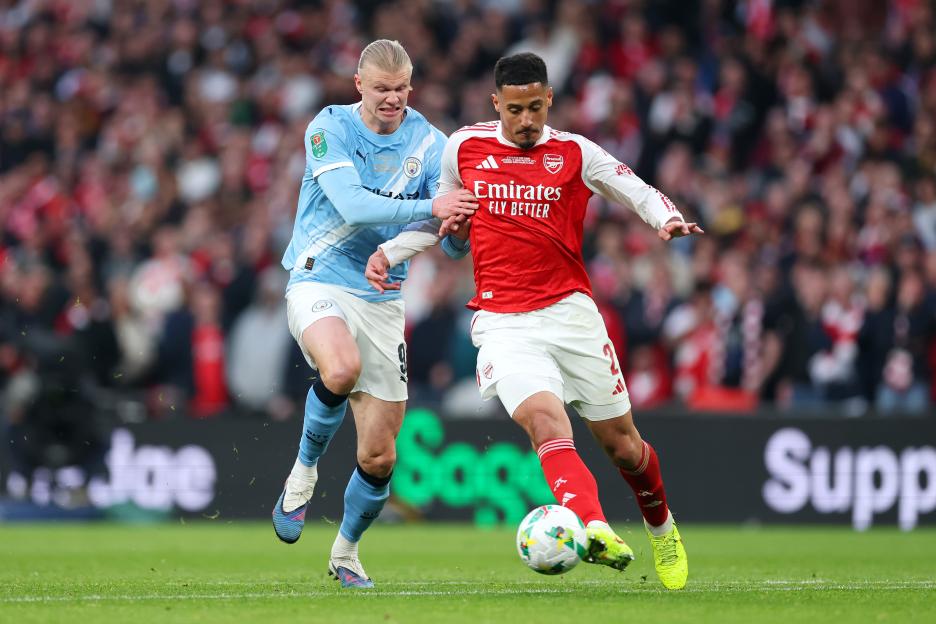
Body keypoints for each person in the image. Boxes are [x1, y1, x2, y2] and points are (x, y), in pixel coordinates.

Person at [365, 52, 701, 590]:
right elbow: (442, 217)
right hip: (502, 321)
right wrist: (391, 253)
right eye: (516, 109)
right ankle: (592, 526)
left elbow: (630, 185)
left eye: (536, 109)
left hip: (571, 316)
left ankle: (662, 530)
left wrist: (665, 218)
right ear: (496, 103)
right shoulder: (465, 147)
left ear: (549, 102)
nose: (526, 121)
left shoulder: (572, 151)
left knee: (624, 447)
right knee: (546, 420)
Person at [273, 39, 477, 589]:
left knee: (380, 456)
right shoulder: (328, 127)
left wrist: (458, 226)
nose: (393, 99)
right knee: (340, 369)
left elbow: (451, 243)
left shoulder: (433, 145)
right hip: (320, 276)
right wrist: (432, 207)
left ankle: (345, 555)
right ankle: (302, 473)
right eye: (382, 88)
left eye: (402, 89)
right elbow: (355, 206)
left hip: (384, 300)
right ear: (358, 83)